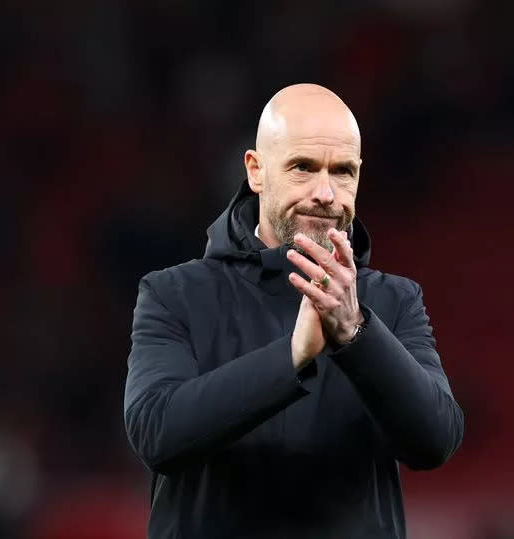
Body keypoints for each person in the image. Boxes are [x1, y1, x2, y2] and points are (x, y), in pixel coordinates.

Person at [124, 83, 464, 539]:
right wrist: (292, 357)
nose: (325, 192)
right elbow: (156, 434)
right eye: (303, 167)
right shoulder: (175, 294)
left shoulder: (393, 302)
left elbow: (435, 440)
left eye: (342, 172)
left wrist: (355, 333)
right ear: (256, 171)